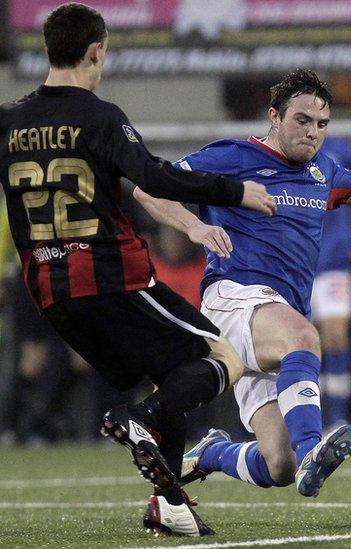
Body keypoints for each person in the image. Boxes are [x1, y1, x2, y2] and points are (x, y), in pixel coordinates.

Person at [0, 3, 276, 537]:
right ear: (97, 50)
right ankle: (140, 420)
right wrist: (235, 191)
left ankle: (168, 505)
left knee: (172, 374)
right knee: (225, 357)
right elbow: (155, 178)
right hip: (111, 276)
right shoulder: (100, 116)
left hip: (50, 294)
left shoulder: (8, 120)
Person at [135, 69, 351, 498]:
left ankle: (211, 455)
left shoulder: (323, 169)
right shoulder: (232, 157)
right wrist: (193, 226)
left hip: (275, 318)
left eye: (322, 125)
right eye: (302, 121)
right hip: (234, 299)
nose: (313, 133)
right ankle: (311, 451)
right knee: (305, 336)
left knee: (276, 465)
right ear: (274, 117)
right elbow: (147, 187)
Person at [311, 136, 351, 429]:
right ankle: (312, 416)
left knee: (336, 335)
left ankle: (337, 417)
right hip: (298, 260)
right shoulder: (281, 150)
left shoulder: (341, 150)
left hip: (335, 259)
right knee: (304, 342)